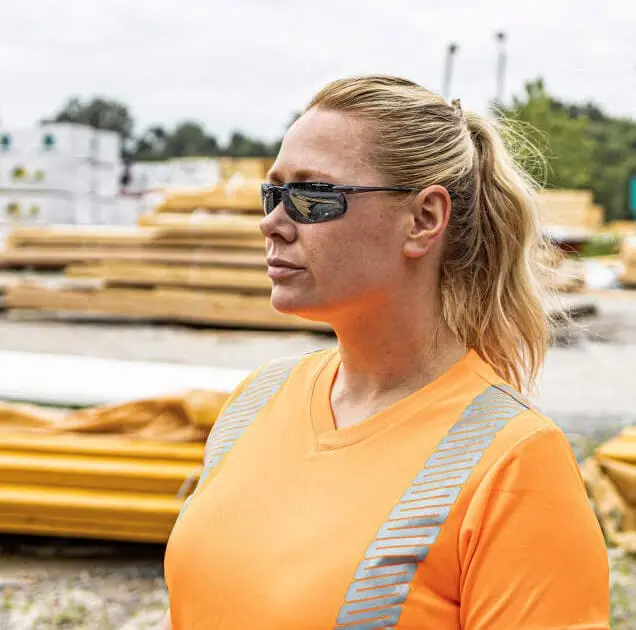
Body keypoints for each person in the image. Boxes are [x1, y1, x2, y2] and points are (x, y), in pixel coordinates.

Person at [159, 75, 610, 629]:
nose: (272, 223)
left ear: (423, 220)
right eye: (272, 194)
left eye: (312, 196)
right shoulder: (256, 401)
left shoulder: (513, 461)